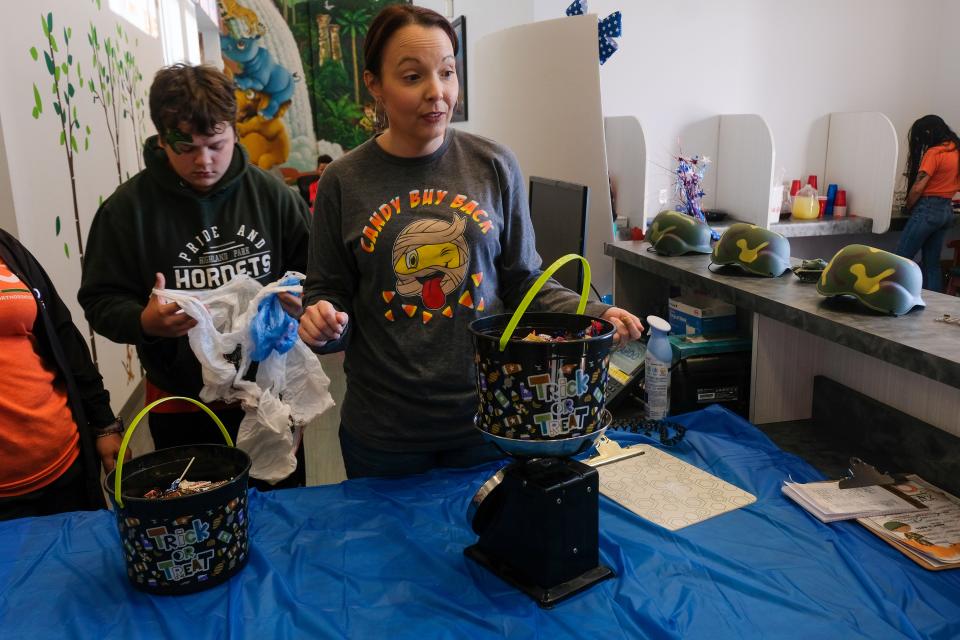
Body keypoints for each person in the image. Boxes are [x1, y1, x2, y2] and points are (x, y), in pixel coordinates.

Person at [299, 5, 643, 479]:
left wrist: (594, 310)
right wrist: (323, 322)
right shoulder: (342, 180)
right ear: (374, 84)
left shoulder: (494, 165)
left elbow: (525, 281)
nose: (436, 92)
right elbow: (327, 292)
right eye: (413, 76)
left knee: (486, 546)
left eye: (447, 72)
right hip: (385, 433)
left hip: (490, 416)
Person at [78, 64, 311, 489]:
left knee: (283, 519)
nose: (204, 161)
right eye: (185, 148)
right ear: (161, 139)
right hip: (181, 403)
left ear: (236, 133)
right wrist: (144, 322)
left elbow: (317, 277)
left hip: (268, 398)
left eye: (216, 145)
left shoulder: (274, 197)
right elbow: (99, 301)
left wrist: (303, 301)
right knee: (194, 521)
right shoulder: (126, 211)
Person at [0, 229, 128, 520]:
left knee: (85, 561)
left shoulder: (7, 248)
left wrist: (104, 424)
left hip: (65, 466)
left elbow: (62, 333)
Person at [895, 115, 960, 292]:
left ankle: (891, 299)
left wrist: (908, 206)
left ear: (929, 132)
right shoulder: (956, 150)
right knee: (932, 264)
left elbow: (918, 188)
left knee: (900, 259)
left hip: (928, 210)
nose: (921, 142)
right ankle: (934, 310)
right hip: (946, 211)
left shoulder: (934, 153)